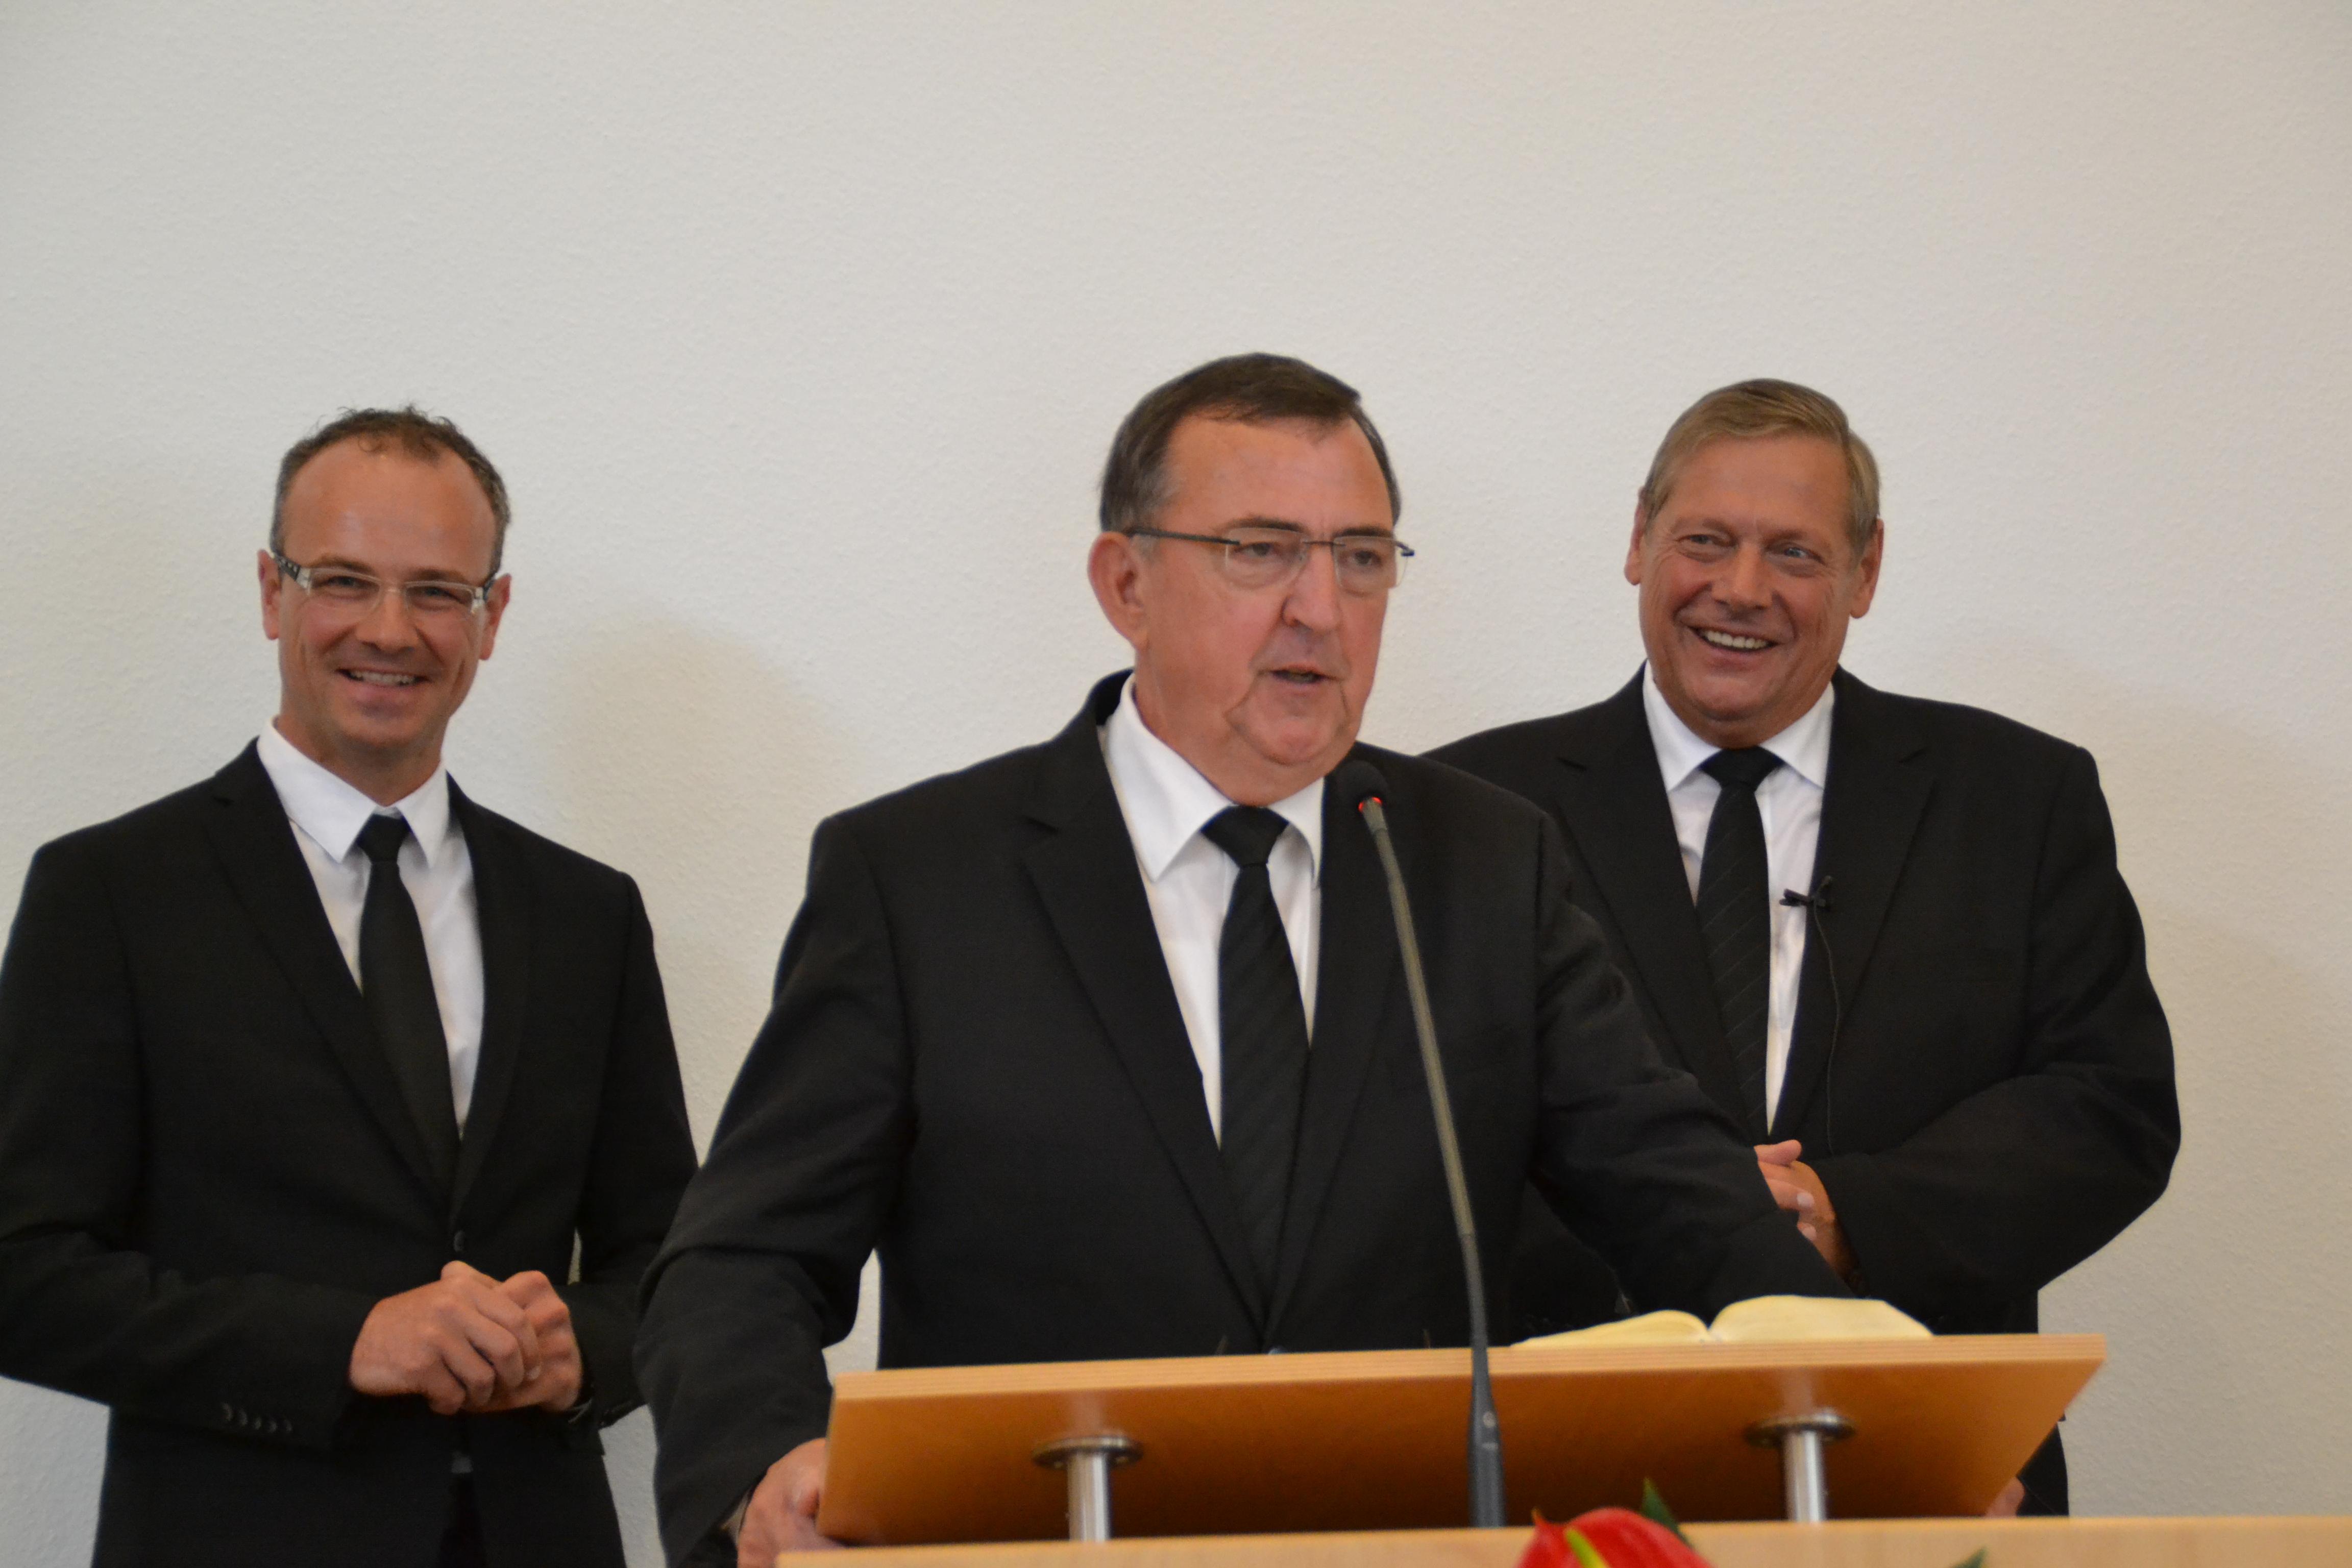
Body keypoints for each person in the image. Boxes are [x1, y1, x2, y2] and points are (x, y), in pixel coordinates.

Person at [636, 354, 1845, 1567]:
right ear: (1126, 582)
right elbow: (743, 1258)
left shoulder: (1482, 864)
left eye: (1360, 558)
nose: (1320, 607)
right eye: (1261, 552)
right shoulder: (920, 879)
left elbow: (1676, 1193)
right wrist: (765, 1469)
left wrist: (1878, 1402)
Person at [1431, 379, 2179, 1514]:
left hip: (1941, 1468)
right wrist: (1710, 1223)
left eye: (1794, 552)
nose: (1741, 589)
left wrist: (1841, 1214)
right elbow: (1426, 1136)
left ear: (1865, 573)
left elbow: (2108, 1109)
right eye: (1705, 541)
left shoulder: (2018, 799)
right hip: (1577, 1471)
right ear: (1638, 543)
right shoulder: (1472, 809)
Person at [0, 408, 698, 1567]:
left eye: (437, 592)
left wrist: (586, 1346)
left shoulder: (589, 913)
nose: (389, 630)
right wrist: (347, 1342)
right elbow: (22, 1273)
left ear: (492, 617)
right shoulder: (110, 893)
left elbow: (673, 1257)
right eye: (342, 581)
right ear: (271, 594)